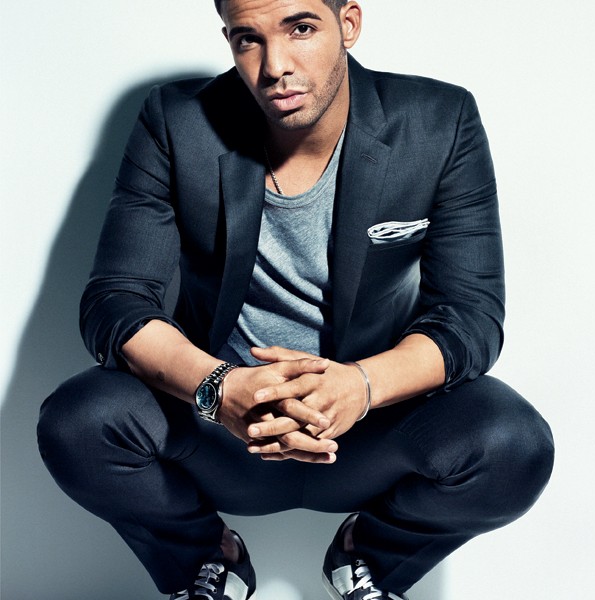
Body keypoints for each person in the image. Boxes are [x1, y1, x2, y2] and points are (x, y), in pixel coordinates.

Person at [37, 1, 555, 599]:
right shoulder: (176, 121)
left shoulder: (439, 122)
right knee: (78, 423)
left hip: (369, 432)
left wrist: (361, 386)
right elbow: (116, 302)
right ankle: (208, 559)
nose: (275, 65)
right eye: (247, 39)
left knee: (513, 445)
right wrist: (220, 388)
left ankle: (368, 557)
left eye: (301, 28)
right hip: (221, 430)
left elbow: (471, 316)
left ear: (349, 24)